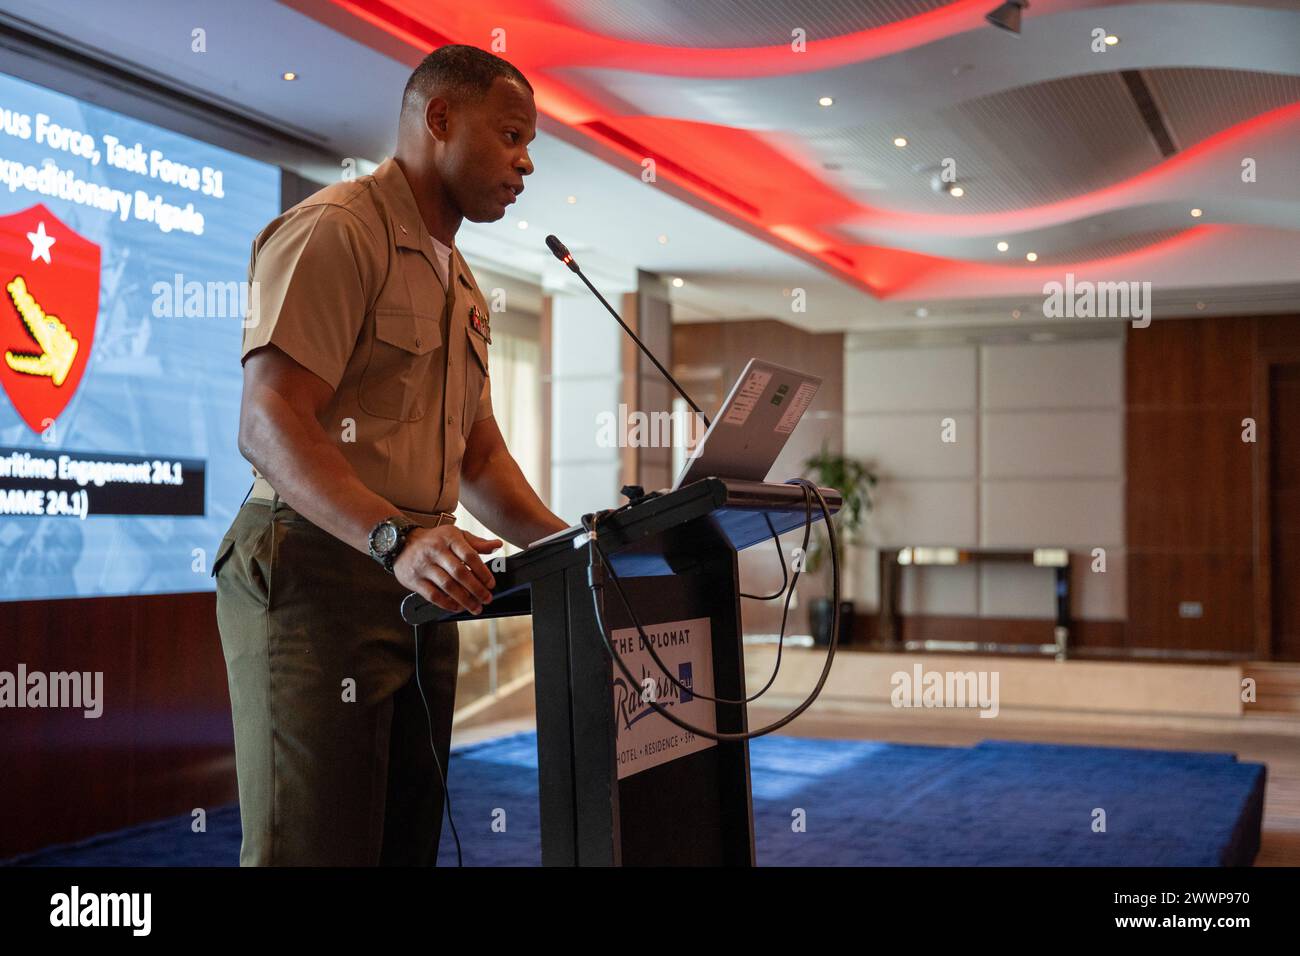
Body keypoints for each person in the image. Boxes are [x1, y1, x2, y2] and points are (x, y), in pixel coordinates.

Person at [212, 44, 569, 866]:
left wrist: (571, 550)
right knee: (314, 847)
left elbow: (479, 460)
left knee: (399, 842)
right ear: (440, 119)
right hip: (315, 569)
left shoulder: (464, 282)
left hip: (419, 582)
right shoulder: (337, 229)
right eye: (512, 136)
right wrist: (395, 540)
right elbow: (267, 420)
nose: (526, 164)